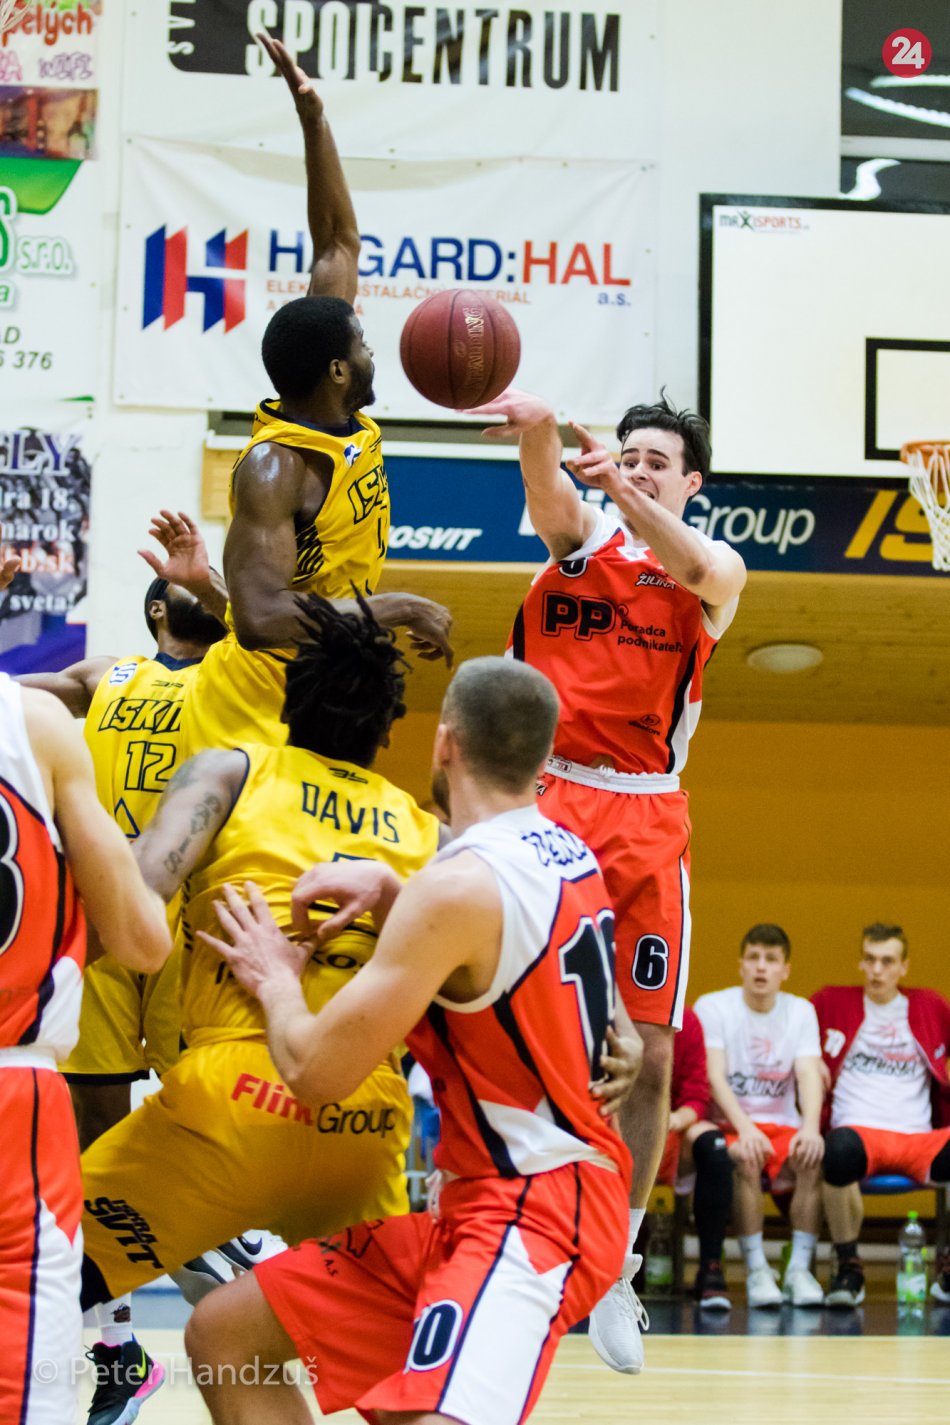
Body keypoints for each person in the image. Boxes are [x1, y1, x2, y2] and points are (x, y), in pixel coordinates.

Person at [179, 654, 639, 1425]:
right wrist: (396, 893)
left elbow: (316, 1070)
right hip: (485, 1202)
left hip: (534, 1210)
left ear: (445, 741)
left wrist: (275, 977)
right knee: (225, 1333)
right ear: (542, 758)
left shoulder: (457, 887)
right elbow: (501, 963)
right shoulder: (568, 854)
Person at [470, 386, 746, 1369]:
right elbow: (551, 499)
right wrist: (540, 429)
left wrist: (623, 491)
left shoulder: (713, 570)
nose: (635, 471)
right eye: (626, 457)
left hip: (644, 815)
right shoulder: (579, 538)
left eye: (655, 462)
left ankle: (615, 1268)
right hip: (547, 801)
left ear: (690, 482)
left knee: (653, 1051)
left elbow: (699, 566)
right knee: (510, 1024)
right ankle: (501, 1225)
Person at [79, 594, 443, 1327]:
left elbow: (132, 902)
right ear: (388, 728)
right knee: (346, 1361)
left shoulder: (229, 772)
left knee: (34, 1272)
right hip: (365, 1123)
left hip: (234, 1099)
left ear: (286, 702)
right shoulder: (427, 832)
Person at [181, 32, 452, 756]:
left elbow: (337, 243)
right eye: (361, 344)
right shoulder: (276, 467)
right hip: (258, 698)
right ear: (336, 370)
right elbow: (259, 617)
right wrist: (394, 607)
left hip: (323, 672)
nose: (371, 351)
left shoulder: (333, 399)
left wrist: (313, 118)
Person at [0, 553, 171, 1425]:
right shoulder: (94, 687)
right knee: (100, 1123)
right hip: (68, 974)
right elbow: (141, 937)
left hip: (174, 929)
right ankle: (119, 1344)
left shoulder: (241, 672)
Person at [813, 922, 950, 1308]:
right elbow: (789, 1034)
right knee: (835, 1151)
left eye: (887, 961)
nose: (877, 970)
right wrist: (807, 1061)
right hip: (858, 1133)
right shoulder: (830, 1002)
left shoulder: (929, 1005)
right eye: (870, 960)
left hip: (920, 1139)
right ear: (860, 962)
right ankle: (849, 1267)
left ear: (903, 966)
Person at [693, 924, 825, 1308]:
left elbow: (808, 1073)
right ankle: (756, 1270)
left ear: (786, 969)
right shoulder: (713, 1007)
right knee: (745, 1156)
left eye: (771, 959)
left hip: (782, 1124)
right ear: (741, 965)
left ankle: (798, 1270)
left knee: (812, 1157)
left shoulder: (801, 1011)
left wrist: (811, 1128)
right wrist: (745, 1128)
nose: (761, 967)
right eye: (753, 957)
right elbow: (714, 1076)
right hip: (731, 1123)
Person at [651, 1004, 733, 1309]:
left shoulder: (686, 1021)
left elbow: (696, 1096)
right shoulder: (611, 1012)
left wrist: (672, 1120)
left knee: (714, 1146)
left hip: (671, 1127)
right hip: (618, 1128)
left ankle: (710, 1268)